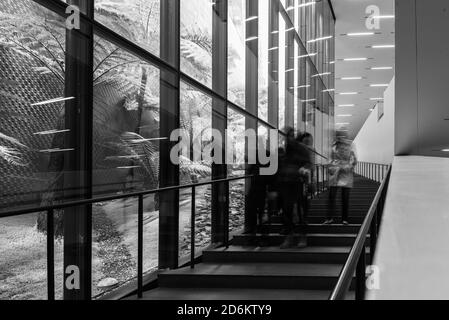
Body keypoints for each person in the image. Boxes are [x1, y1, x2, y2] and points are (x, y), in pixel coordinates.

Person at [277, 128, 313, 249]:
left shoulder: (302, 149)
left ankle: (302, 235)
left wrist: (304, 170)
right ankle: (289, 236)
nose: (289, 138)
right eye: (288, 136)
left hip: (299, 182)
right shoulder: (285, 150)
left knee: (301, 210)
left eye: (291, 136)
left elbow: (308, 164)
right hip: (286, 183)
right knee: (287, 210)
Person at [324, 131, 358, 225]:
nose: (340, 138)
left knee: (345, 198)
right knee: (331, 197)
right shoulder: (333, 146)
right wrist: (330, 166)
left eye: (341, 136)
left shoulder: (350, 146)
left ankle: (344, 219)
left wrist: (348, 166)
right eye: (338, 136)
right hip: (335, 173)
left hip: (346, 174)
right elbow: (330, 159)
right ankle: (329, 218)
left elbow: (354, 160)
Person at [296, 132, 315, 225]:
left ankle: (303, 218)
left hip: (305, 178)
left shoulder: (310, 150)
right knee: (302, 199)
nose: (308, 142)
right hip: (299, 177)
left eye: (309, 140)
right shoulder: (299, 149)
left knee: (303, 199)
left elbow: (311, 165)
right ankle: (302, 218)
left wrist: (311, 179)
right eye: (306, 140)